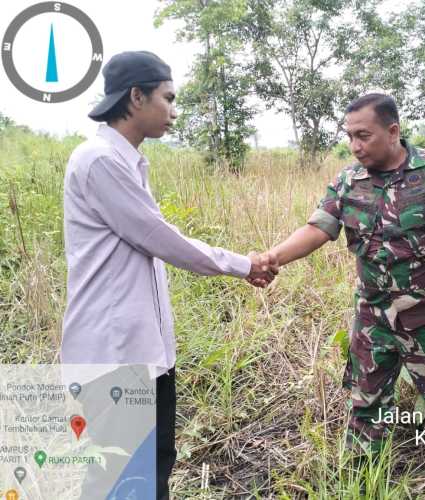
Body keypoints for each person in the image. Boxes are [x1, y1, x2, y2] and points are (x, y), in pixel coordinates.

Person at [61, 51, 277, 499]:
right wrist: (245, 264)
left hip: (145, 350)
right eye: (168, 98)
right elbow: (161, 238)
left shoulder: (127, 161)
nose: (174, 111)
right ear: (136, 97)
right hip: (113, 354)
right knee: (118, 476)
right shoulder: (100, 160)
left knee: (154, 464)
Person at [252, 93, 425, 485]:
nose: (354, 146)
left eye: (363, 135)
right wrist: (273, 256)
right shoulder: (348, 181)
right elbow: (318, 229)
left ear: (393, 131)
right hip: (374, 318)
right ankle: (366, 470)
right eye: (350, 136)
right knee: (366, 398)